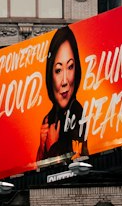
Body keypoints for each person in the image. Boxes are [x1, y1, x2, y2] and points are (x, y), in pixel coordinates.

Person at [37, 25, 88, 162]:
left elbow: (81, 165)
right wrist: (42, 147)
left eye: (70, 67)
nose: (65, 81)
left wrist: (53, 145)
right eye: (58, 70)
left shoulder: (80, 114)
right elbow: (36, 174)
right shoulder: (49, 120)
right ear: (50, 75)